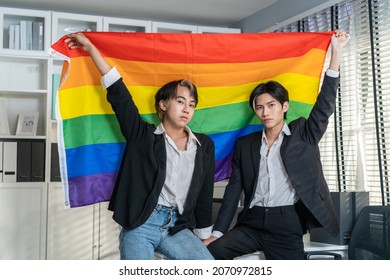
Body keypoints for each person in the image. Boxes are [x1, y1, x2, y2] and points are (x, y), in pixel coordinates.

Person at [65, 33, 215, 260]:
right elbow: (119, 94)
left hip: (177, 227)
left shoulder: (203, 145)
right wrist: (91, 49)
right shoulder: (143, 136)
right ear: (163, 104)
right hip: (141, 224)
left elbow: (204, 191)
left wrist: (203, 233)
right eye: (180, 101)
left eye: (192, 104)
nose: (187, 109)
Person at [204, 30, 350, 260]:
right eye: (259, 107)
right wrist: (218, 231)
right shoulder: (245, 145)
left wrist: (336, 53)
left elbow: (325, 105)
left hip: (286, 224)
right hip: (251, 223)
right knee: (212, 252)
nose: (265, 112)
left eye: (271, 105)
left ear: (284, 106)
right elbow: (234, 191)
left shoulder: (303, 134)